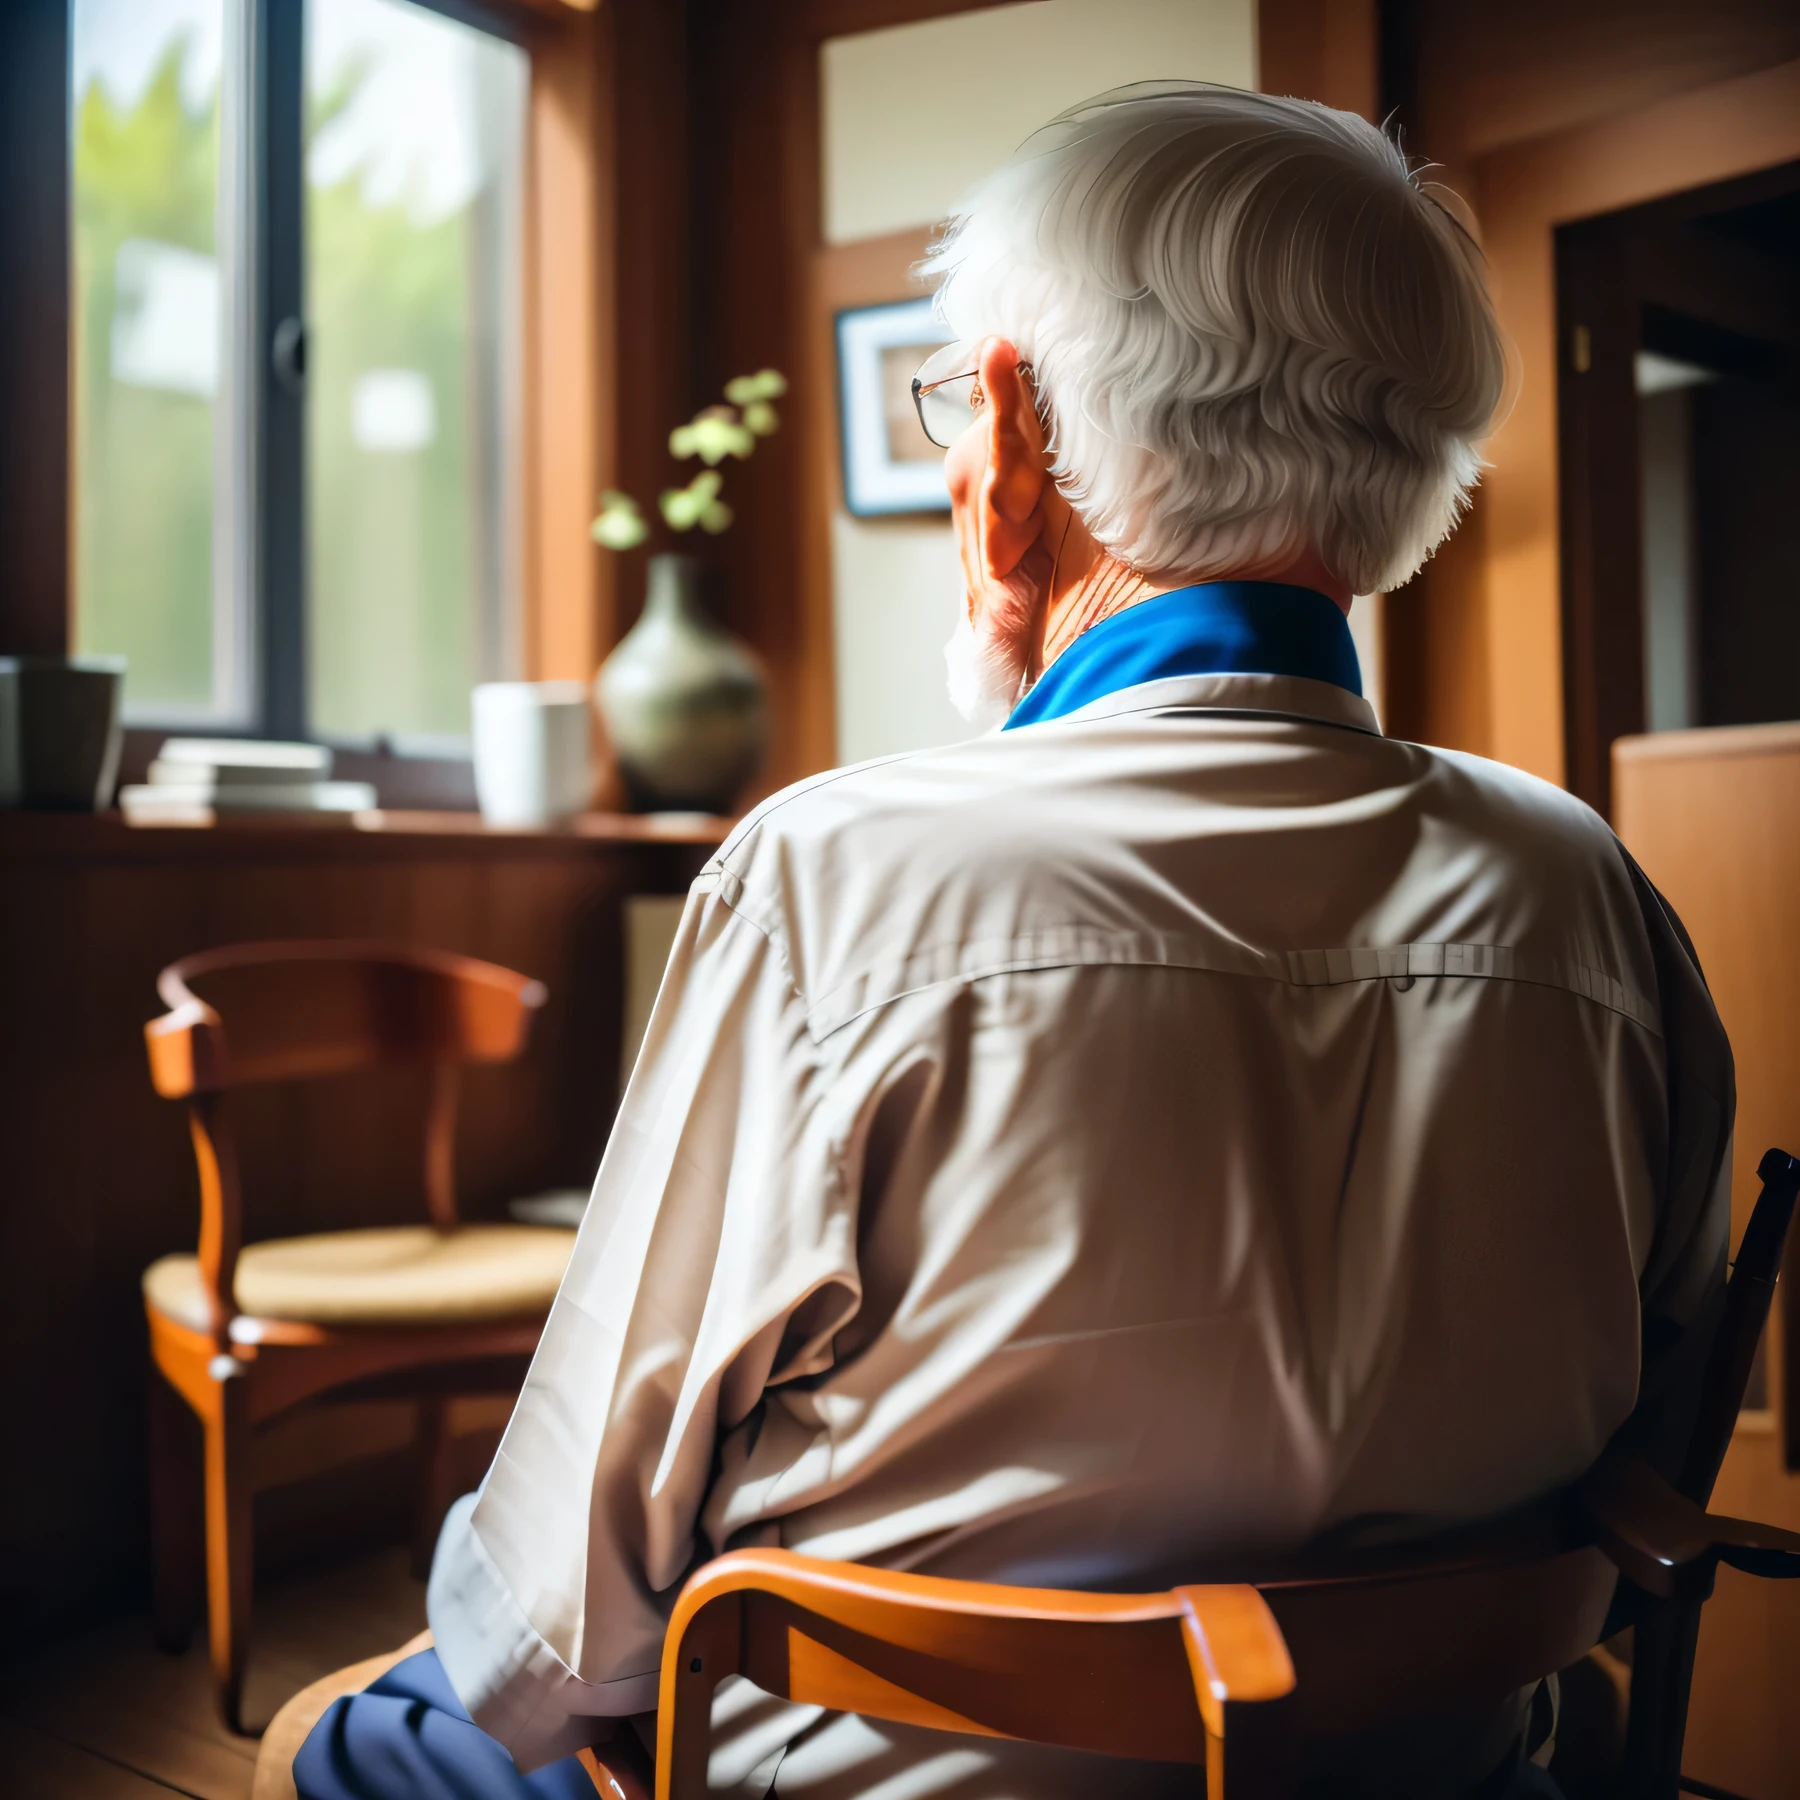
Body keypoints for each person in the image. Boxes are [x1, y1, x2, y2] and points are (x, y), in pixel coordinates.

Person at [296, 81, 1731, 1800]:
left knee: (349, 1724)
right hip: (1449, 1778)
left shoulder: (831, 878)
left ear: (1009, 451)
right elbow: (1649, 1449)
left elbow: (556, 1630)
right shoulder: (1596, 894)